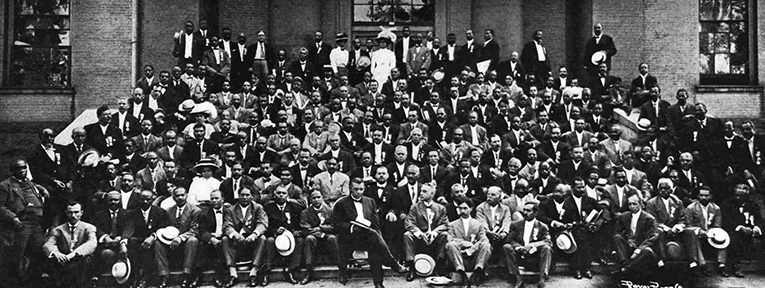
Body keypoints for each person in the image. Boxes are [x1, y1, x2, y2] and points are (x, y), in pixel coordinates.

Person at [331, 178, 407, 288]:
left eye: (361, 189)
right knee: (373, 237)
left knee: (374, 242)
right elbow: (336, 224)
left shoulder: (370, 201)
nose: (358, 192)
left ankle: (378, 283)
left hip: (368, 236)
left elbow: (376, 224)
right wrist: (352, 226)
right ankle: (393, 264)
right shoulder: (341, 203)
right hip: (350, 237)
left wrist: (379, 237)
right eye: (356, 189)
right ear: (350, 189)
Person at [0, 159, 49, 288]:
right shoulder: (5, 185)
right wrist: (13, 218)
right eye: (18, 168)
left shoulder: (29, 182)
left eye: (24, 168)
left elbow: (33, 187)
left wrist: (42, 188)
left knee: (38, 252)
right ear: (12, 170)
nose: (22, 171)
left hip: (37, 223)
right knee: (18, 255)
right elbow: (0, 206)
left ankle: (34, 282)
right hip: (22, 222)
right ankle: (16, 283)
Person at [154, 187, 202, 288]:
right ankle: (164, 275)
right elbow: (164, 227)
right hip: (170, 241)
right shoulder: (169, 211)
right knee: (158, 243)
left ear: (186, 195)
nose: (180, 198)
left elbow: (195, 230)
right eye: (177, 196)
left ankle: (186, 274)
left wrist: (181, 238)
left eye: (182, 195)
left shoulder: (195, 210)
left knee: (193, 240)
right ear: (173, 197)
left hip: (186, 241)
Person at [42, 201, 97, 288]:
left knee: (86, 261)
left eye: (76, 212)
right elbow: (48, 244)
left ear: (81, 213)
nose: (73, 216)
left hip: (81, 259)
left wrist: (74, 254)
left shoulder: (89, 228)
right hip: (63, 260)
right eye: (70, 212)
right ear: (66, 213)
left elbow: (92, 243)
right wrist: (56, 253)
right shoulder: (58, 229)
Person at [222, 188, 268, 287]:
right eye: (242, 195)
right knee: (225, 239)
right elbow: (227, 226)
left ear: (251, 196)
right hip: (237, 241)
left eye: (247, 195)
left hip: (252, 241)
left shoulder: (257, 208)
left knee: (262, 238)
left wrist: (254, 234)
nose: (244, 197)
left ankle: (254, 272)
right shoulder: (231, 209)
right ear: (238, 196)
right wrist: (234, 234)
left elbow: (262, 223)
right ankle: (233, 273)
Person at [403, 183, 449, 281]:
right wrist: (419, 233)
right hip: (419, 237)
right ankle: (411, 267)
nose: (421, 193)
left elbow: (445, 224)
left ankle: (438, 266)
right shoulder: (415, 207)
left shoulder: (441, 208)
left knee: (444, 235)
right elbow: (408, 223)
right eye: (421, 191)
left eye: (424, 191)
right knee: (407, 235)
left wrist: (434, 232)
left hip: (434, 237)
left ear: (432, 194)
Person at [124, 189, 169, 288]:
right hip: (139, 240)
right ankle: (136, 276)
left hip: (155, 239)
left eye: (148, 199)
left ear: (152, 200)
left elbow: (162, 228)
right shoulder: (132, 213)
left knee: (156, 246)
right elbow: (129, 229)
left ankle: (148, 277)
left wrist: (152, 237)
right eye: (142, 199)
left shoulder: (160, 212)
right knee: (132, 242)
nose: (145, 202)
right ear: (138, 199)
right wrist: (124, 241)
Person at [503, 199, 552, 288]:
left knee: (547, 248)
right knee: (507, 247)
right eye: (524, 210)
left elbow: (547, 241)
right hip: (519, 255)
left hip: (535, 258)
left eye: (528, 211)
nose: (525, 213)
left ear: (536, 213)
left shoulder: (542, 226)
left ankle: (542, 279)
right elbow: (509, 240)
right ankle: (518, 279)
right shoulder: (515, 225)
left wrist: (531, 246)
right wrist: (520, 247)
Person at [261, 186, 305, 285]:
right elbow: (264, 225)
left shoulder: (294, 207)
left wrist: (297, 231)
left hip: (290, 235)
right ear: (274, 195)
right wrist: (275, 231)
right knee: (270, 241)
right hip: (275, 234)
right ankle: (266, 271)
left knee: (300, 240)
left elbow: (299, 223)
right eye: (279, 193)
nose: (281, 195)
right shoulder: (268, 208)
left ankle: (292, 270)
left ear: (287, 195)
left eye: (284, 193)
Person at [445, 196, 492, 287]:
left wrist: (473, 248)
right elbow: (450, 238)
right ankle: (462, 274)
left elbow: (484, 239)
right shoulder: (452, 225)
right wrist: (465, 243)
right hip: (459, 257)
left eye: (465, 208)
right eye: (460, 208)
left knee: (486, 245)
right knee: (450, 245)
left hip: (475, 257)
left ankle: (477, 273)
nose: (462, 211)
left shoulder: (478, 224)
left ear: (471, 209)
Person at [682, 186, 727, 277]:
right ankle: (702, 265)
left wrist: (711, 233)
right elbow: (688, 225)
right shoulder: (691, 208)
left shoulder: (716, 208)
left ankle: (722, 265)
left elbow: (717, 225)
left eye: (706, 195)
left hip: (710, 235)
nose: (703, 198)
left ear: (711, 196)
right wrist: (700, 231)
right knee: (694, 239)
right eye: (701, 195)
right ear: (698, 196)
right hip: (697, 235)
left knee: (723, 237)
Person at [611, 191, 659, 276]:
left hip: (641, 248)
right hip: (629, 246)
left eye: (634, 204)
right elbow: (617, 231)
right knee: (617, 237)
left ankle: (625, 270)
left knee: (647, 251)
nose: (632, 206)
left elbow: (653, 236)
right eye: (630, 204)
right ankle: (626, 265)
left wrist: (638, 250)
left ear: (640, 204)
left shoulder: (649, 219)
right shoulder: (624, 216)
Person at [721, 183, 762, 277]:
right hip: (735, 230)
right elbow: (726, 220)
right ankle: (736, 266)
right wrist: (740, 228)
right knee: (734, 238)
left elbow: (759, 219)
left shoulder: (753, 205)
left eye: (742, 196)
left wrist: (757, 227)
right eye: (737, 195)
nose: (738, 198)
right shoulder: (727, 204)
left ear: (747, 196)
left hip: (751, 230)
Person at [298, 190, 339, 285]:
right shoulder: (305, 213)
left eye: (318, 197)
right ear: (310, 200)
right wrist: (320, 233)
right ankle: (309, 271)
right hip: (314, 237)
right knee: (309, 238)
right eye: (314, 198)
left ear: (322, 198)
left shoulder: (329, 210)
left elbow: (334, 227)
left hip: (327, 237)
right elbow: (305, 229)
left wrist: (320, 228)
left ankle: (340, 267)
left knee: (332, 238)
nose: (316, 200)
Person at [644, 178, 686, 268]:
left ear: (671, 190)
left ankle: (690, 260)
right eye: (661, 188)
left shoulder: (677, 202)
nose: (663, 190)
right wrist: (664, 227)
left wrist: (677, 226)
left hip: (674, 231)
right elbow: (651, 220)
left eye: (666, 188)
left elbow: (682, 219)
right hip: (659, 231)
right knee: (658, 231)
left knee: (689, 232)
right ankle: (662, 259)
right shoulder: (651, 203)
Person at [91, 191, 130, 282]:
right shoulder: (99, 215)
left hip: (121, 244)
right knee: (106, 253)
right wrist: (105, 237)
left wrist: (120, 238)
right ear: (106, 201)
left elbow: (128, 228)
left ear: (120, 201)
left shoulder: (128, 214)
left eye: (116, 200)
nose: (113, 202)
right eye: (110, 200)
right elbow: (96, 228)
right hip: (105, 244)